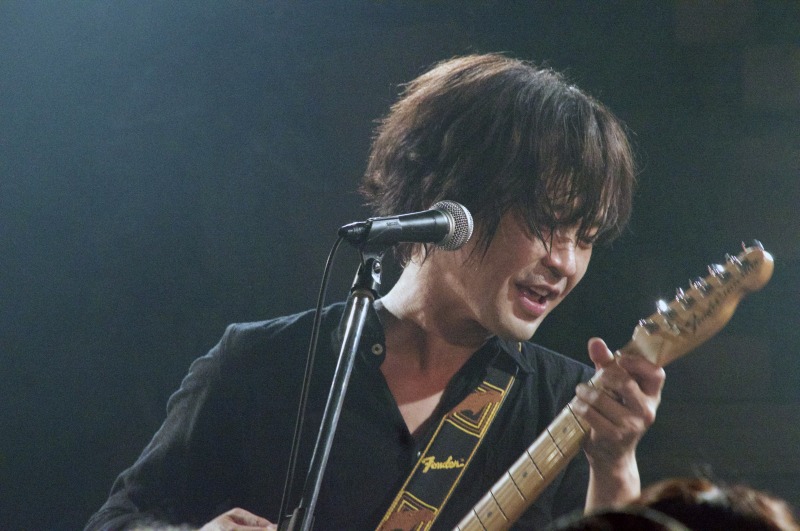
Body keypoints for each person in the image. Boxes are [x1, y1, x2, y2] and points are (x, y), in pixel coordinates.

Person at [86, 53, 665, 530]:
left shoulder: (571, 406)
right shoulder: (260, 364)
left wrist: (614, 466)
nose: (564, 262)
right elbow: (117, 519)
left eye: (586, 238)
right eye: (545, 224)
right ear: (452, 198)